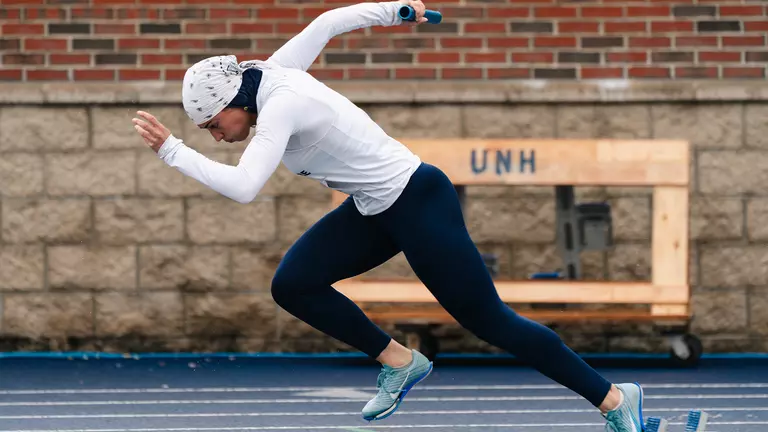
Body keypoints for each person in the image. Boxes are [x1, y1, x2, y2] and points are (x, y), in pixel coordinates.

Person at [131, 1, 645, 430]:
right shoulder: (267, 76)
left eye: (214, 124)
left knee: (490, 321)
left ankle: (616, 401)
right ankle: (400, 361)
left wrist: (173, 152)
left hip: (418, 200)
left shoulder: (280, 100)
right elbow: (328, 23)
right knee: (293, 284)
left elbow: (244, 187)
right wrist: (395, 11)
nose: (213, 136)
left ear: (235, 99)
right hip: (374, 208)